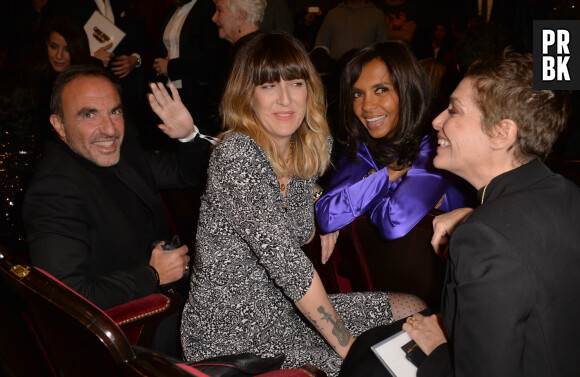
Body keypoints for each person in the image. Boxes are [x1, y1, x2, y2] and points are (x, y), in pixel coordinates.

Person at [157, 33, 425, 376]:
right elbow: (291, 269)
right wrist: (348, 347)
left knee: (412, 312)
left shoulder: (299, 151)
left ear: (308, 89)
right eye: (269, 86)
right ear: (247, 94)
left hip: (284, 313)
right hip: (231, 339)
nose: (285, 99)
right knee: (377, 365)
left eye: (295, 83)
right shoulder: (236, 154)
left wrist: (323, 201)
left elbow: (297, 201)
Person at [341, 49, 580, 377]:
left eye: (453, 110)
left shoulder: (484, 237)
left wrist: (442, 348)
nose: (437, 120)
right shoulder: (566, 193)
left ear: (501, 133)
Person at [23, 64, 211, 356]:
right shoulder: (54, 190)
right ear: (59, 125)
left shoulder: (121, 150)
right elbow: (66, 299)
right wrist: (152, 274)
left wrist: (187, 135)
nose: (110, 129)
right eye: (89, 114)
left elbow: (184, 173)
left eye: (115, 111)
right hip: (126, 337)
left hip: (173, 301)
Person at [315, 41, 472, 257]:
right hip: (389, 272)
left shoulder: (436, 143)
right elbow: (326, 216)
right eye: (357, 94)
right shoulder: (362, 145)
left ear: (407, 90)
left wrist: (366, 189)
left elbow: (393, 222)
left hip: (445, 273)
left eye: (381, 90)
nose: (367, 106)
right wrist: (389, 175)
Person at [152, 0, 229, 137]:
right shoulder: (171, 11)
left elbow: (214, 57)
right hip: (170, 89)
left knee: (196, 143)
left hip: (198, 95)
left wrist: (171, 66)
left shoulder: (208, 8)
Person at [33, 14, 94, 144]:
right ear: (46, 44)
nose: (58, 56)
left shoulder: (91, 80)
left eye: (67, 49)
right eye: (53, 47)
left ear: (77, 48)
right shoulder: (35, 79)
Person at [313, 0, 388, 61]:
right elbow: (321, 47)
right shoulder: (333, 14)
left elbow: (383, 49)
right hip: (336, 71)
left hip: (366, 70)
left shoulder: (377, 15)